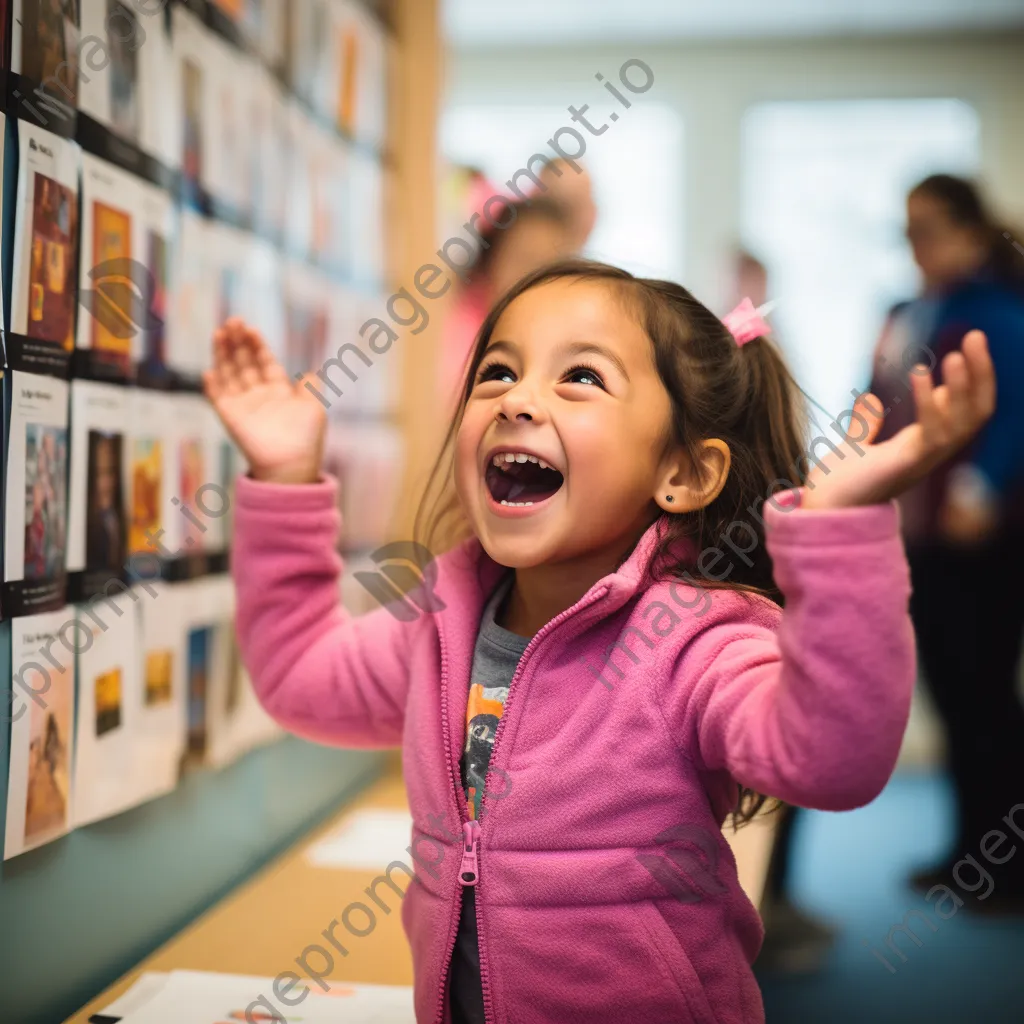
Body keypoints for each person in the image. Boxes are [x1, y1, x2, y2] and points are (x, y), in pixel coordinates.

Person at [205, 259, 994, 1024]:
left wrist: (841, 531)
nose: (517, 400)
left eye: (579, 377)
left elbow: (835, 763)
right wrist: (281, 480)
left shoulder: (697, 639)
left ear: (683, 474)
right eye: (497, 372)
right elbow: (300, 679)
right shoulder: (437, 618)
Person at [868, 174, 1024, 909]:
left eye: (926, 227)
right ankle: (969, 856)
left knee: (985, 699)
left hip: (983, 540)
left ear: (967, 231)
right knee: (956, 698)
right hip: (923, 537)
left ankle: (1005, 869)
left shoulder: (996, 309)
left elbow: (1016, 408)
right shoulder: (914, 310)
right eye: (907, 228)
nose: (914, 244)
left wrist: (980, 490)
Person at [441, 160, 596, 397]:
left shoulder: (575, 333)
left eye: (549, 266)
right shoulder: (458, 334)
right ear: (492, 262)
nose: (535, 278)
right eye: (525, 260)